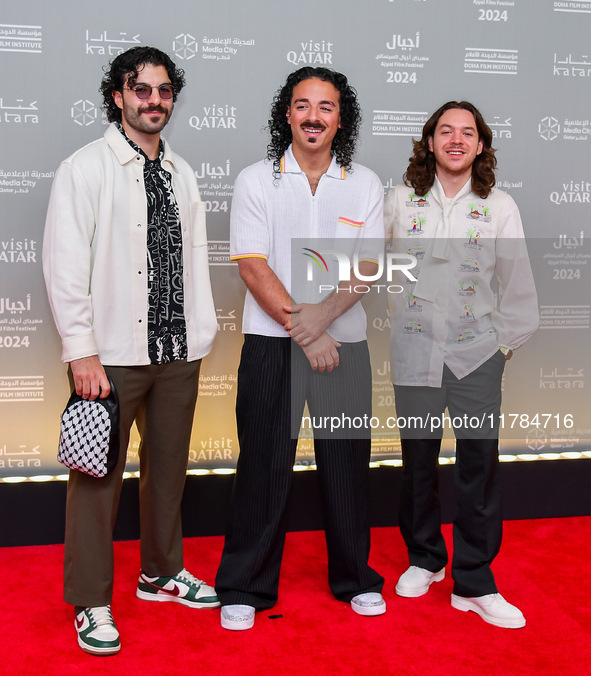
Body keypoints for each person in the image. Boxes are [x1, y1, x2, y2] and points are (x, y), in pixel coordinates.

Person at [43, 46, 219, 655]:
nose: (154, 101)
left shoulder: (183, 172)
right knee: (96, 481)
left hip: (178, 353)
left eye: (164, 91)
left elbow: (192, 260)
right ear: (118, 96)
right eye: (141, 90)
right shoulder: (85, 168)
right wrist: (80, 351)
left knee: (168, 473)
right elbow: (65, 266)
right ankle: (90, 601)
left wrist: (202, 334)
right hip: (111, 356)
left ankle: (160, 573)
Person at [215, 67, 386, 630]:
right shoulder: (255, 180)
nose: (314, 116)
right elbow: (252, 265)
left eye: (327, 106)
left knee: (345, 465)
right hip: (272, 345)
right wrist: (307, 332)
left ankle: (355, 577)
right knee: (263, 465)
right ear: (286, 113)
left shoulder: (364, 182)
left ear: (342, 117)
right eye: (303, 105)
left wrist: (322, 326)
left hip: (347, 345)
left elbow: (366, 266)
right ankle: (245, 585)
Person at [384, 101, 538, 628]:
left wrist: (503, 348)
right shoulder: (401, 201)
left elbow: (518, 284)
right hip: (415, 354)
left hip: (476, 356)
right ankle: (424, 558)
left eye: (466, 133)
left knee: (477, 468)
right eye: (445, 131)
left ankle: (473, 581)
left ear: (479, 145)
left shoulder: (499, 206)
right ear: (429, 141)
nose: (455, 140)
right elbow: (363, 262)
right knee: (418, 464)